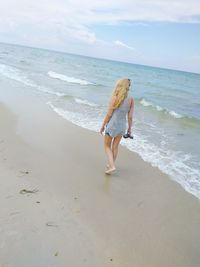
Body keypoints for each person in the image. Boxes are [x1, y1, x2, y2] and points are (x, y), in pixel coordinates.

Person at [100, 78, 134, 174]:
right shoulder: (131, 100)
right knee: (115, 147)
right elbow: (130, 117)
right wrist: (129, 129)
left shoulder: (115, 98)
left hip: (112, 125)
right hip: (122, 126)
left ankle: (111, 166)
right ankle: (111, 165)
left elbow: (109, 114)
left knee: (107, 146)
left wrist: (102, 126)